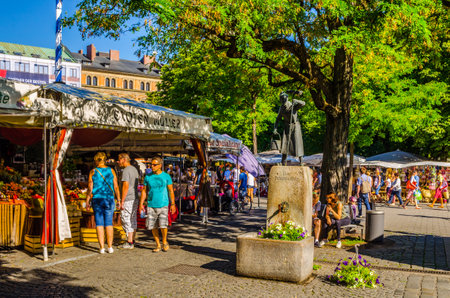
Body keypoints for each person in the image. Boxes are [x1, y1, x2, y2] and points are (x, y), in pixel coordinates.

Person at [139, 157, 176, 252]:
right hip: (151, 204)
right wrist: (141, 203)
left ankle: (164, 241)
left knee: (163, 225)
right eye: (151, 164)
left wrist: (173, 204)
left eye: (154, 165)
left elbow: (171, 190)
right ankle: (158, 244)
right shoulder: (148, 176)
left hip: (163, 203)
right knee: (152, 226)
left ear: (160, 165)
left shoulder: (166, 176)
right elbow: (144, 190)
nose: (152, 166)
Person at [85, 152, 120, 254]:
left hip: (97, 199)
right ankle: (110, 247)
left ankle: (101, 248)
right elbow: (116, 186)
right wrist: (119, 199)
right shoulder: (111, 171)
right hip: (109, 199)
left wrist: (87, 201)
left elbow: (90, 188)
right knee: (109, 223)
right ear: (105, 160)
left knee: (99, 223)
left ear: (96, 160)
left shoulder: (93, 172)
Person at [118, 153, 139, 249]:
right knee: (133, 218)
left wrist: (122, 200)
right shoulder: (134, 169)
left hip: (128, 198)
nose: (118, 162)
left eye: (119, 160)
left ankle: (129, 241)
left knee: (126, 219)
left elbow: (125, 186)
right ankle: (132, 239)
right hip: (134, 197)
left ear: (124, 159)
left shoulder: (126, 170)